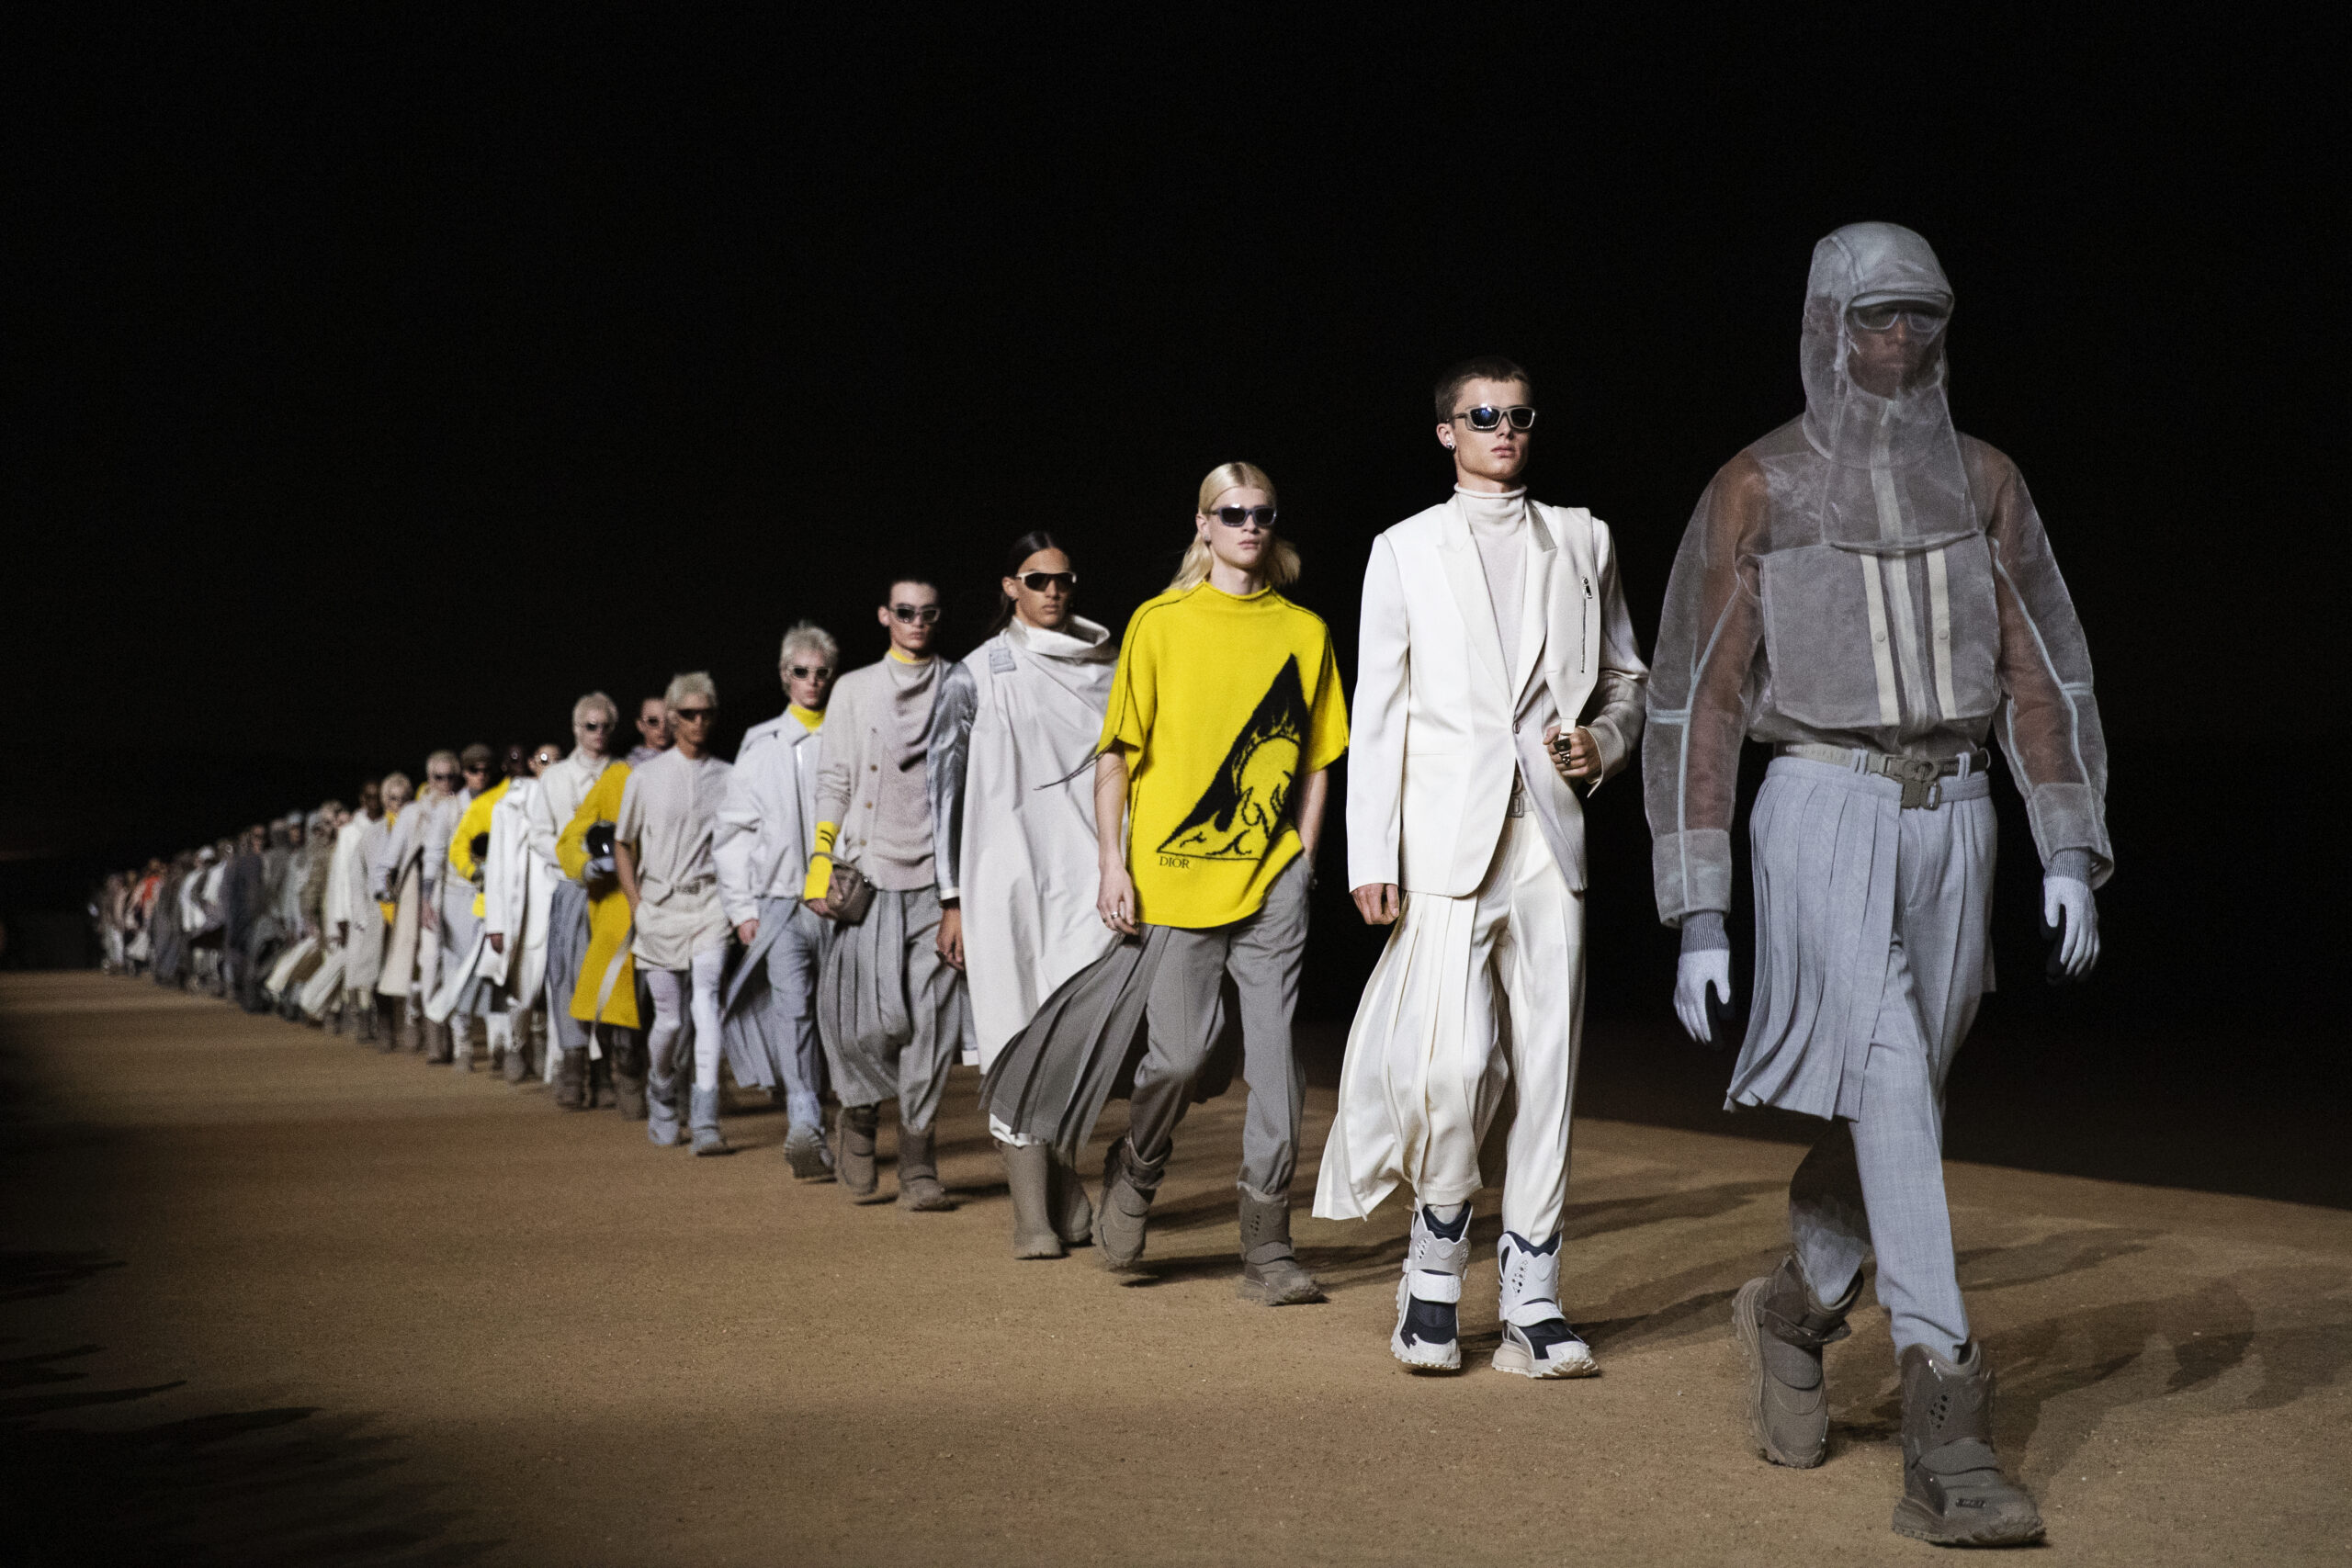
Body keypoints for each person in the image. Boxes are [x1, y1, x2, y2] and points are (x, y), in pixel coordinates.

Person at [1644, 223, 2109, 1547]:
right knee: (1895, 1081)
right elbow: (1695, 701)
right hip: (1821, 806)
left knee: (1903, 1098)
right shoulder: (1761, 484)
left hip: (1957, 815)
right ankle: (1947, 1427)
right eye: (1873, 316)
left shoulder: (1986, 478)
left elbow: (2045, 668)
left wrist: (2067, 844)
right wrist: (1700, 907)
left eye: (1920, 316)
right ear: (1826, 324)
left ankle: (1796, 1307)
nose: (1897, 339)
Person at [1316, 356, 1650, 1378]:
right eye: (1483, 415)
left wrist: (1603, 744)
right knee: (1453, 1066)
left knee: (1550, 1067)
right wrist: (1371, 852)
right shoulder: (1403, 548)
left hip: (1549, 838)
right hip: (1443, 846)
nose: (1504, 429)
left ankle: (1532, 1292)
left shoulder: (1584, 538)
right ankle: (1433, 1260)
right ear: (1446, 432)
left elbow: (1628, 678)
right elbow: (1378, 709)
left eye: (1517, 415)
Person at [984, 462, 1349, 1303]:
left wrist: (1303, 857)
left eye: (1262, 513)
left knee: (1278, 1072)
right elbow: (1117, 755)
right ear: (1203, 525)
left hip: (1271, 882)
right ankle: (1138, 1164)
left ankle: (1268, 1247)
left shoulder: (1304, 631)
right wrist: (1113, 864)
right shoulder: (1158, 623)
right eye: (1233, 513)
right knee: (1178, 1060)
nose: (1250, 526)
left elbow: (1317, 759)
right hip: (1174, 884)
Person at [929, 532, 1119, 1256]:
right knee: (1014, 1026)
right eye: (1038, 579)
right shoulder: (975, 673)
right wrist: (950, 896)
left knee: (1068, 1037)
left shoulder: (1108, 664)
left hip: (1087, 874)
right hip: (1001, 874)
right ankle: (1030, 1214)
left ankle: (1061, 1184)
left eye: (1064, 578)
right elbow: (944, 790)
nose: (1053, 590)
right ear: (1010, 586)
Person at [803, 576, 969, 1209]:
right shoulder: (853, 689)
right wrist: (820, 858)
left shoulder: (961, 684)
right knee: (865, 1022)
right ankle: (860, 1112)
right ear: (884, 616)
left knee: (932, 1024)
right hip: (869, 876)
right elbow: (834, 780)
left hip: (939, 883)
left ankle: (919, 1161)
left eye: (927, 613)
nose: (916, 622)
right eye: (905, 612)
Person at [714, 623, 839, 1177]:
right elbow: (733, 834)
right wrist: (743, 910)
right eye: (801, 672)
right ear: (785, 676)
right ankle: (804, 1122)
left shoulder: (849, 734)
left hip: (844, 905)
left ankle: (841, 1120)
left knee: (840, 1017)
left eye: (821, 672)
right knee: (794, 1010)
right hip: (781, 903)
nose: (812, 681)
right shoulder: (760, 744)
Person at [615, 674, 736, 1154]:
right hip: (659, 909)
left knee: (707, 1007)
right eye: (688, 714)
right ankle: (661, 1089)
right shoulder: (644, 777)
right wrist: (637, 904)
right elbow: (623, 843)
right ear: (671, 717)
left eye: (706, 713)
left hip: (709, 906)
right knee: (667, 1020)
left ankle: (705, 1118)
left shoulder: (729, 776)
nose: (698, 722)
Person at [533, 694, 622, 1109]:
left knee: (609, 977)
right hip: (571, 889)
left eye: (605, 726)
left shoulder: (624, 774)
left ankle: (605, 1072)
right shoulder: (555, 778)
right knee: (568, 977)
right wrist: (576, 862)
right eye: (590, 726)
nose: (598, 733)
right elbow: (538, 834)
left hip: (615, 892)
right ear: (575, 729)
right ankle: (573, 1068)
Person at [558, 750, 650, 1120]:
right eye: (652, 722)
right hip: (614, 899)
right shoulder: (615, 778)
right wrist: (587, 865)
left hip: (678, 899)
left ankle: (679, 1085)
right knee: (612, 986)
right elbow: (571, 837)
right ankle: (620, 1067)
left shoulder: (692, 770)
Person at [378, 755, 457, 1050]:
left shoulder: (462, 806)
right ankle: (423, 1023)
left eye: (450, 777)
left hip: (456, 891)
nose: (444, 783)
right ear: (429, 777)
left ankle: (444, 1027)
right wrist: (384, 894)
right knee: (426, 959)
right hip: (419, 893)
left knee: (447, 960)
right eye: (438, 777)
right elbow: (390, 858)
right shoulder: (413, 813)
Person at [330, 780, 391, 1038]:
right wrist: (341, 916)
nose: (374, 801)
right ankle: (363, 1019)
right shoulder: (350, 833)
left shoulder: (390, 826)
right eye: (369, 796)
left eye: (378, 796)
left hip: (385, 907)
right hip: (359, 909)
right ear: (362, 800)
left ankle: (385, 1022)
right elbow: (342, 877)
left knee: (382, 968)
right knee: (362, 967)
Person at [627, 697, 673, 766]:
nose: (663, 727)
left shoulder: (683, 757)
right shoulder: (630, 765)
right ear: (640, 725)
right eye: (653, 721)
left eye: (668, 720)